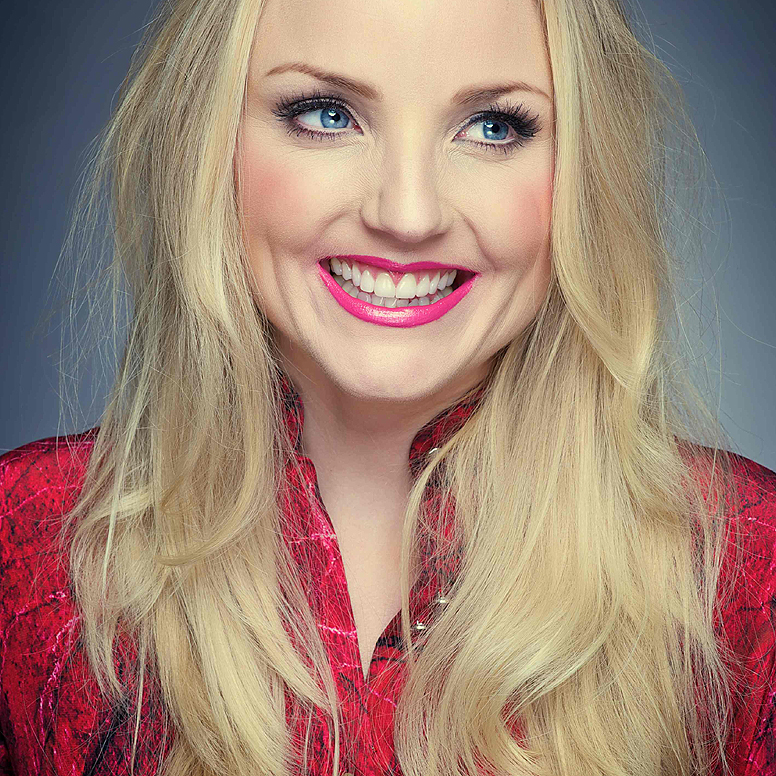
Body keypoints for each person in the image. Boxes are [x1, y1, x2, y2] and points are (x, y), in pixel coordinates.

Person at [0, 0, 774, 773]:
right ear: (209, 142)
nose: (408, 214)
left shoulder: (748, 573)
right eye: (327, 115)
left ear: (583, 168)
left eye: (493, 127)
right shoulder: (24, 549)